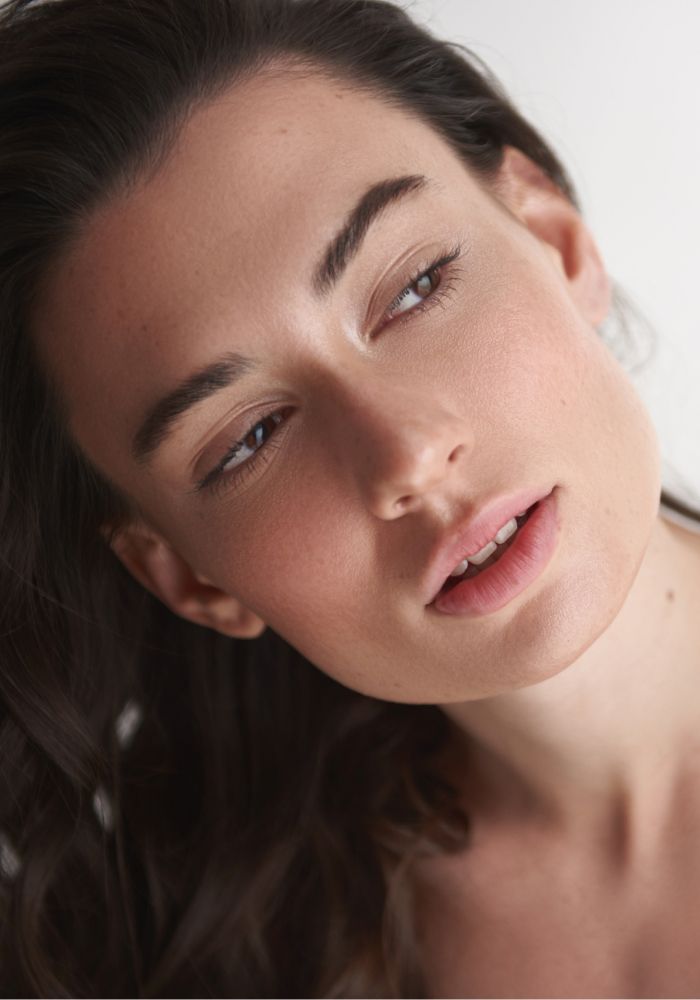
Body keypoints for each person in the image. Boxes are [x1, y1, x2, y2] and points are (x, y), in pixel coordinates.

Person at [2, 0, 700, 995]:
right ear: (185, 573)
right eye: (250, 437)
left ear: (554, 236)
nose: (407, 454)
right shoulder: (240, 960)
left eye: (416, 285)